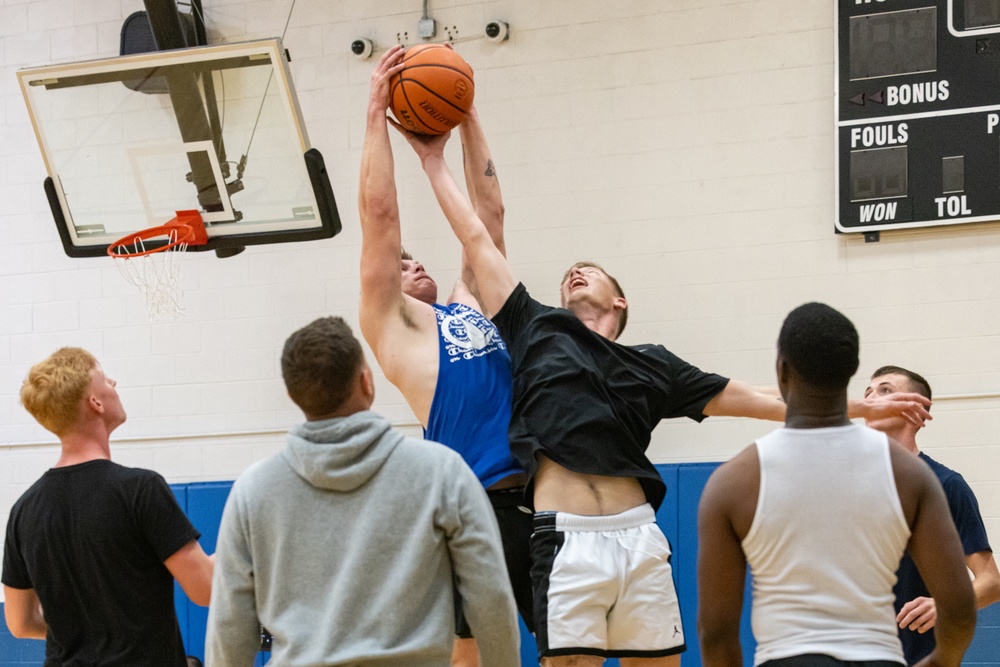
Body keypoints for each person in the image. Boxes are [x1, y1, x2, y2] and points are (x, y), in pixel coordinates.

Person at [395, 127, 934, 665]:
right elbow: (479, 231)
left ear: (620, 301)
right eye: (569, 275)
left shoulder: (654, 363)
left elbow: (757, 397)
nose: (576, 272)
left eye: (592, 272)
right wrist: (433, 158)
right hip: (562, 535)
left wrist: (865, 407)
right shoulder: (535, 326)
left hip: (639, 536)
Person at [205, 316, 520, 667]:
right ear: (367, 382)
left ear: (293, 395)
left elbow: (230, 626)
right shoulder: (442, 472)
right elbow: (490, 598)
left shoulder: (253, 490)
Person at [358, 44, 532, 665]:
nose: (415, 262)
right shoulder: (394, 327)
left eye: (417, 258)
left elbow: (490, 213)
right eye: (403, 264)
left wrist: (465, 112)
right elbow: (379, 217)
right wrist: (377, 112)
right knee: (471, 654)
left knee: (571, 646)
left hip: (539, 496)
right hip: (471, 505)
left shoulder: (468, 305)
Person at [697, 303, 977, 667]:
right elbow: (959, 611)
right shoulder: (910, 474)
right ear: (850, 373)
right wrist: (940, 662)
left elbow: (716, 632)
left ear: (782, 372)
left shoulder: (733, 481)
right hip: (879, 657)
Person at [2, 347, 214, 666]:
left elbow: (20, 624)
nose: (113, 383)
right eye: (104, 379)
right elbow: (206, 589)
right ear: (96, 402)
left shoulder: (23, 510)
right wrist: (249, 544)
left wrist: (80, 633)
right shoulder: (139, 489)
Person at [865, 365, 1000, 665]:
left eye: (885, 390)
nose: (872, 398)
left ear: (918, 410)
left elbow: (991, 582)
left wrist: (946, 605)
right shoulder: (846, 484)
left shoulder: (947, 485)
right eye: (868, 392)